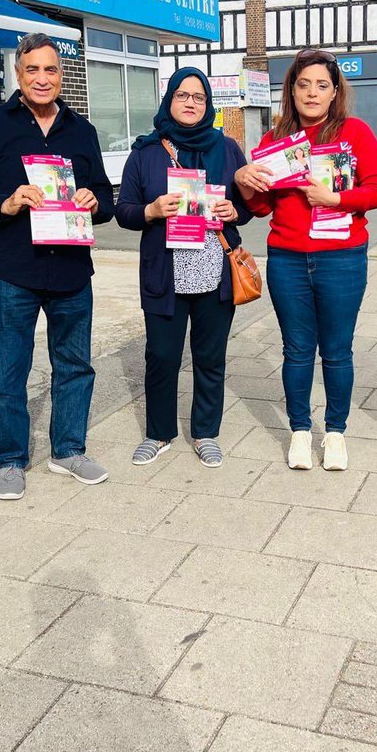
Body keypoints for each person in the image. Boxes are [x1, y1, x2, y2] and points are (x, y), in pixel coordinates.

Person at [0, 33, 115, 501]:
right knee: (8, 370)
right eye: (33, 70)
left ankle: (68, 450)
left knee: (75, 366)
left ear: (60, 75)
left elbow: (107, 197)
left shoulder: (81, 131)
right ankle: (10, 458)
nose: (42, 79)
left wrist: (94, 200)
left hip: (70, 271)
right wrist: (6, 203)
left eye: (51, 70)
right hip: (12, 272)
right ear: (18, 74)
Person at [235, 48, 377, 471]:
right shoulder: (275, 140)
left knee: (337, 351)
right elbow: (263, 208)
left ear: (335, 90)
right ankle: (300, 431)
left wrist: (335, 198)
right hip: (287, 260)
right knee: (297, 351)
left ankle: (335, 432)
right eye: (304, 84)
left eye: (322, 85)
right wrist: (245, 183)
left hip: (341, 259)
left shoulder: (354, 133)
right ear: (292, 90)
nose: (312, 93)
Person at [116, 67, 250, 468]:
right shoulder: (146, 151)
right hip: (165, 271)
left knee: (210, 355)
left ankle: (206, 432)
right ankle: (159, 433)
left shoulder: (227, 149)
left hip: (214, 268)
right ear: (169, 100)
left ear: (208, 104)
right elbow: (123, 210)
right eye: (182, 95)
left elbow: (247, 203)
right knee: (161, 354)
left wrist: (234, 211)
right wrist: (151, 210)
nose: (191, 103)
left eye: (199, 97)